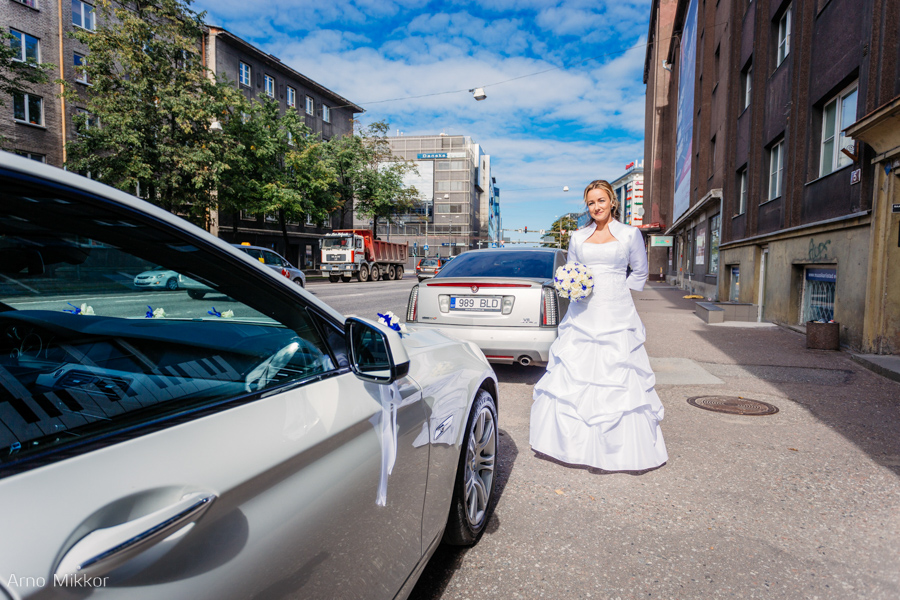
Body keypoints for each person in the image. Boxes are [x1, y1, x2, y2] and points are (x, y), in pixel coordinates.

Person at [530, 180, 668, 472]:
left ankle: (620, 451)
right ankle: (570, 445)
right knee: (576, 371)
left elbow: (640, 271)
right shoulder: (579, 237)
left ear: (612, 202)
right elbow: (572, 270)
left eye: (601, 201)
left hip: (617, 312)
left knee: (618, 373)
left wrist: (617, 293)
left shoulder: (630, 234)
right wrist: (575, 288)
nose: (596, 207)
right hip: (584, 312)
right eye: (591, 203)